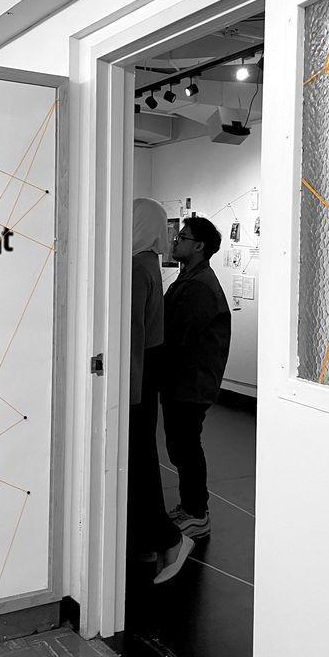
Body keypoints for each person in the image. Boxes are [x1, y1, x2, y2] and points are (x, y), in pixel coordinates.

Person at [129, 198, 194, 584]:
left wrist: (128, 393)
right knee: (140, 458)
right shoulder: (148, 262)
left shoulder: (137, 268)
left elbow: (133, 334)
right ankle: (147, 542)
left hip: (136, 377)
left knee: (136, 461)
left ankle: (168, 538)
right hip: (145, 373)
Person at [160, 216, 231, 539]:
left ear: (200, 246)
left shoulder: (200, 286)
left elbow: (176, 334)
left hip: (191, 383)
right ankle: (190, 507)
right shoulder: (189, 279)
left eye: (183, 237)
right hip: (182, 381)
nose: (175, 241)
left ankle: (197, 514)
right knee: (180, 446)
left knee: (185, 447)